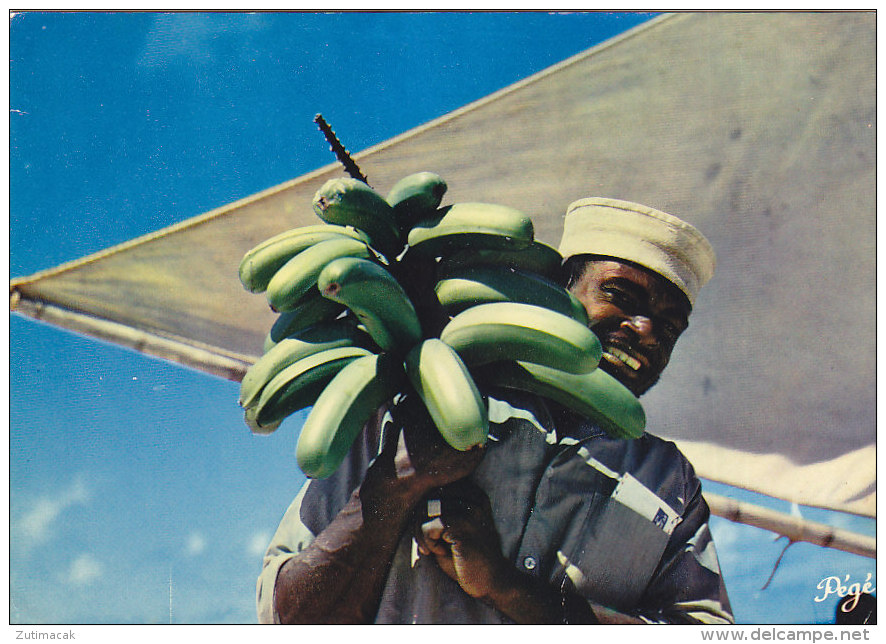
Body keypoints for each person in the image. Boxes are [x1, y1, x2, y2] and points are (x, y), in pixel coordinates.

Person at [256, 197, 734, 624]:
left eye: (670, 327)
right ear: (557, 292)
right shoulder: (423, 400)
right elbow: (291, 619)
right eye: (621, 296)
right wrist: (395, 483)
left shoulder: (668, 480)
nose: (647, 331)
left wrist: (504, 587)